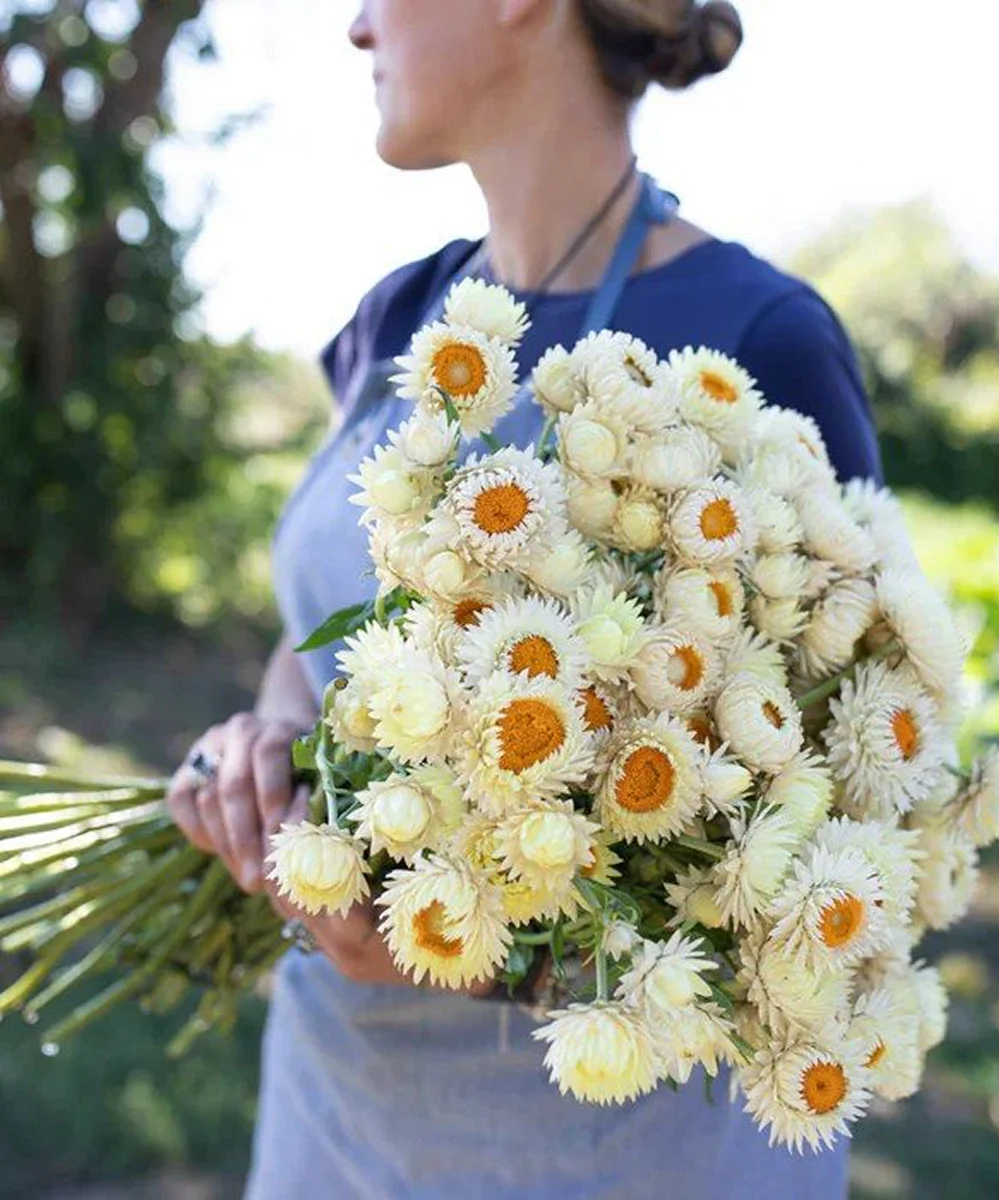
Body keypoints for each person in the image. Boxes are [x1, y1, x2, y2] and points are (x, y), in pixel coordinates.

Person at [167, 2, 883, 1196]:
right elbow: (317, 640)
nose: (352, 26)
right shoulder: (398, 319)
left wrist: (489, 957)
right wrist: (267, 745)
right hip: (336, 1119)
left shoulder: (757, 338)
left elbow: (840, 848)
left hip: (612, 1149)